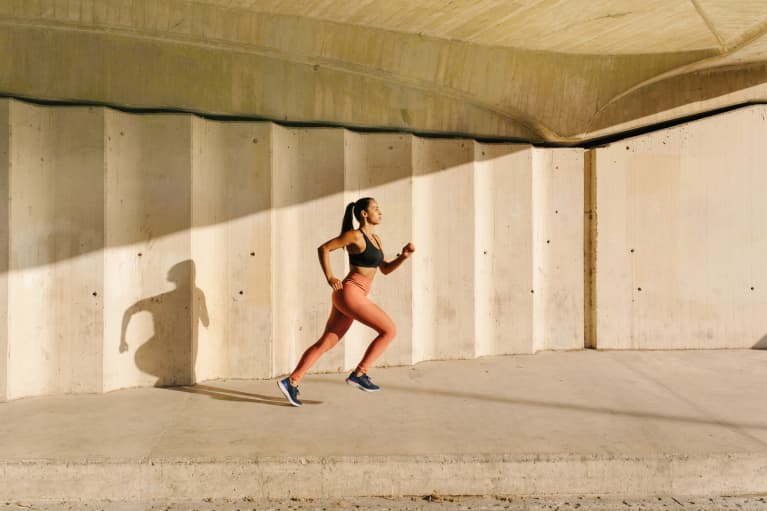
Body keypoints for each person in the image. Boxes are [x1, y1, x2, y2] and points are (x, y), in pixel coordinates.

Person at [277, 197, 415, 407]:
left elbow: (384, 269)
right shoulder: (354, 236)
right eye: (376, 209)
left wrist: (403, 256)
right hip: (350, 292)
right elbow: (323, 248)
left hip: (351, 295)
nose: (381, 212)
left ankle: (291, 381)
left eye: (380, 208)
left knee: (326, 342)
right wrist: (330, 277)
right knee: (390, 330)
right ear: (364, 214)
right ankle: (359, 374)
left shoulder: (376, 239)